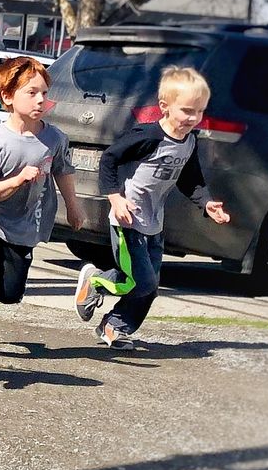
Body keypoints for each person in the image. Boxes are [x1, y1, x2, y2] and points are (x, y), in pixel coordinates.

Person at [74, 66, 231, 349]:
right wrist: (115, 197)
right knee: (141, 282)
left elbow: (191, 180)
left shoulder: (190, 142)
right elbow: (109, 159)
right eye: (186, 111)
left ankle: (115, 327)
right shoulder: (148, 136)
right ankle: (96, 281)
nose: (193, 118)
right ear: (164, 107)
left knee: (150, 287)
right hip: (127, 221)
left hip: (154, 223)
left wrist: (207, 203)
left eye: (199, 112)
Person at [0, 57, 85, 356]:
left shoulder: (55, 138)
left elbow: (64, 170)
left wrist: (74, 206)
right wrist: (18, 180)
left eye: (44, 93)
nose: (41, 99)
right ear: (8, 97)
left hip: (24, 225)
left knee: (10, 295)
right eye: (32, 92)